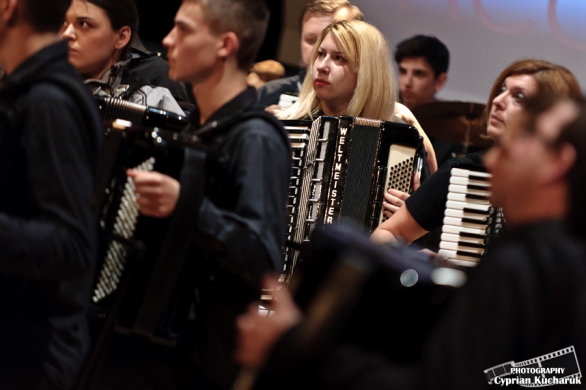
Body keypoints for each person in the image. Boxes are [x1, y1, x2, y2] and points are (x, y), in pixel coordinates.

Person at [234, 94, 586, 390]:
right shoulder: (565, 260)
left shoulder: (519, 266)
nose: (499, 152)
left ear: (558, 162)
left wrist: (291, 346)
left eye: (525, 135)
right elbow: (528, 376)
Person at [94, 0, 291, 389]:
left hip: (191, 364)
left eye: (183, 30)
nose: (167, 41)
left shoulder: (255, 137)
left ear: (225, 45)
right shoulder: (190, 129)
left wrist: (185, 205)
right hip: (137, 348)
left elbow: (263, 256)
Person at [0, 0, 103, 388]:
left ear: (10, 7)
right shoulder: (23, 91)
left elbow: (72, 245)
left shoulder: (50, 100)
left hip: (30, 354)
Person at [372, 59, 582, 249]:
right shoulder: (466, 171)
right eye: (501, 90)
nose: (498, 100)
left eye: (518, 97)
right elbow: (389, 233)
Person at [278, 20, 438, 174]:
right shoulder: (291, 127)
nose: (321, 66)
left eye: (338, 58)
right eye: (321, 54)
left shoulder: (397, 139)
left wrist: (409, 203)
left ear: (365, 72)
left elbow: (423, 198)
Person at [62, 0, 186, 115]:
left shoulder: (154, 98)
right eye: (64, 22)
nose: (67, 33)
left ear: (122, 37)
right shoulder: (48, 87)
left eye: (84, 24)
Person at [256, 0, 363, 111]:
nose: (319, 49)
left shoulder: (370, 101)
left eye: (331, 40)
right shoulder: (269, 92)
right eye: (311, 40)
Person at [395, 34, 449, 111]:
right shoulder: (381, 107)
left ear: (439, 81)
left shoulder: (451, 121)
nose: (407, 82)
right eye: (403, 72)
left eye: (418, 74)